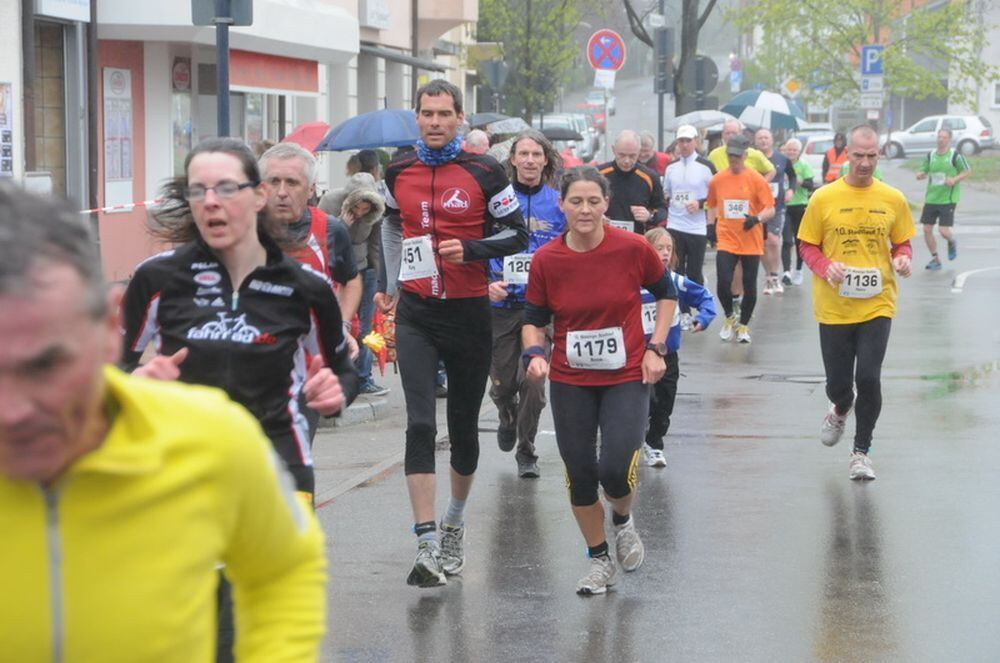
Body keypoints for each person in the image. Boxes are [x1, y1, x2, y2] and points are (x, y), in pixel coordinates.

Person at [0, 183, 327, 661]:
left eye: (45, 366)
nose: (13, 409)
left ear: (111, 332)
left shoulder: (211, 440)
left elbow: (285, 567)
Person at [375, 79, 528, 588]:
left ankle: (454, 523)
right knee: (420, 424)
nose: (436, 121)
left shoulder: (485, 171)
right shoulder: (397, 167)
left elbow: (518, 234)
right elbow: (391, 225)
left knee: (462, 429)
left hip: (468, 314)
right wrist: (393, 279)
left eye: (445, 113)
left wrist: (475, 251)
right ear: (416, 117)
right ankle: (425, 541)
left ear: (460, 118)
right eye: (427, 113)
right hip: (417, 313)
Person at [522, 166, 677, 595]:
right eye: (576, 201)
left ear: (606, 203)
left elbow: (667, 293)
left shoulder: (631, 248)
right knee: (580, 473)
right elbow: (533, 321)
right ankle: (599, 559)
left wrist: (656, 346)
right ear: (563, 205)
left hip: (626, 373)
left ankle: (623, 520)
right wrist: (534, 353)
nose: (585, 209)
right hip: (572, 379)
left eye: (593, 201)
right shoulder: (548, 260)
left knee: (614, 470)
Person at [797, 124, 915, 481]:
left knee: (869, 377)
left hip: (878, 303)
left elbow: (903, 243)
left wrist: (903, 259)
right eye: (859, 155)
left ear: (879, 155)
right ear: (846, 154)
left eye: (872, 155)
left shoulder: (892, 198)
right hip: (834, 306)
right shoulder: (823, 198)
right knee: (840, 384)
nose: (865, 163)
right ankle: (839, 407)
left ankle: (861, 452)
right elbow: (806, 245)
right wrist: (825, 266)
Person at [488, 129, 566, 479]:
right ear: (514, 160)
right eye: (524, 154)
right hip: (502, 306)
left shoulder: (559, 201)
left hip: (541, 308)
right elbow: (477, 245)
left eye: (537, 154)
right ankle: (505, 411)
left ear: (545, 160)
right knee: (505, 382)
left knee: (534, 380)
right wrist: (486, 284)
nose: (531, 160)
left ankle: (527, 449)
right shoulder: (497, 201)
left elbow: (571, 249)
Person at [259, 142, 363, 357]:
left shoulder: (331, 230)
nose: (281, 192)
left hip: (315, 354)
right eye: (274, 181)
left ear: (311, 189)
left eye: (292, 183)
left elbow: (350, 280)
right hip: (258, 351)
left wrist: (341, 326)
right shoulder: (242, 231)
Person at [640, 228, 716, 467]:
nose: (664, 253)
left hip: (667, 354)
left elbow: (705, 297)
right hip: (637, 355)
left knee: (665, 402)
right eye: (658, 248)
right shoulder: (631, 280)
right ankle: (632, 439)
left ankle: (654, 443)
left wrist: (703, 318)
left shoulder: (675, 281)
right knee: (643, 401)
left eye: (668, 249)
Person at [319, 171, 389, 396]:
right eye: (356, 207)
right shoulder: (331, 201)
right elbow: (319, 239)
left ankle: (363, 377)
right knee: (336, 323)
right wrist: (341, 224)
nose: (360, 212)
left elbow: (375, 246)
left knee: (365, 327)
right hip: (335, 270)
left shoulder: (376, 211)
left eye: (365, 208)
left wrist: (379, 281)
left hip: (363, 269)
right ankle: (335, 377)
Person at [706, 135, 776, 345]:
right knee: (723, 281)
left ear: (745, 156)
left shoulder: (756, 179)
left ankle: (744, 325)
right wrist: (710, 226)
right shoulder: (718, 179)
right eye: (730, 156)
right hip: (726, 237)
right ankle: (729, 317)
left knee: (749, 285)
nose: (733, 160)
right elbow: (711, 204)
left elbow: (770, 208)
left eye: (737, 157)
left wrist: (757, 218)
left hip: (750, 239)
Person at [661, 124, 716, 329]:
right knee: (676, 270)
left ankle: (700, 306)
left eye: (687, 141)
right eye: (681, 141)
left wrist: (700, 204)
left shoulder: (706, 166)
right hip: (675, 224)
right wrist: (669, 199)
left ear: (696, 142)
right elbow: (666, 192)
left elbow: (716, 196)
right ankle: (683, 311)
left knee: (694, 272)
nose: (684, 145)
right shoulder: (671, 167)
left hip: (697, 227)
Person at [916, 127, 970, 270]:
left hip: (948, 199)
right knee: (927, 229)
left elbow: (966, 171)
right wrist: (920, 174)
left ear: (949, 139)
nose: (941, 140)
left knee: (943, 231)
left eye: (944, 137)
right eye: (939, 137)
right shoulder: (931, 155)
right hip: (931, 198)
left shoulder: (955, 156)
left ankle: (951, 241)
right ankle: (936, 259)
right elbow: (923, 170)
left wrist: (954, 179)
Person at [598, 129, 668, 233]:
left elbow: (663, 209)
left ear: (639, 152)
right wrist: (597, 215)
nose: (626, 161)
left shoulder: (650, 176)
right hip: (604, 237)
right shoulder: (598, 174)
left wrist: (649, 216)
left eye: (632, 156)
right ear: (613, 150)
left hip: (636, 239)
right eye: (622, 155)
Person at [754, 128, 798, 295]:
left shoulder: (782, 158)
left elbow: (792, 176)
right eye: (760, 138)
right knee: (762, 243)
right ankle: (769, 277)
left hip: (776, 206)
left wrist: (791, 190)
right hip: (757, 206)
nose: (763, 141)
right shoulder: (751, 158)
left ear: (772, 140)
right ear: (755, 142)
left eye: (766, 137)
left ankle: (775, 274)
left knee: (773, 240)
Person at [779, 138, 816, 286]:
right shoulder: (781, 164)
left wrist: (799, 181)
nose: (791, 152)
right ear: (785, 150)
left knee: (799, 240)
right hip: (785, 205)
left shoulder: (804, 165)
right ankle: (787, 271)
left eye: (794, 150)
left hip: (800, 205)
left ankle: (799, 270)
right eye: (789, 149)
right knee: (787, 240)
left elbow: (811, 185)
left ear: (799, 152)